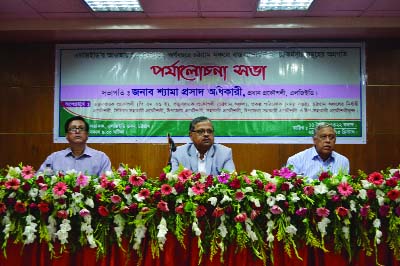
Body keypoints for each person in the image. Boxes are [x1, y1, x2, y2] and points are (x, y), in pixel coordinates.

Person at [38, 116, 112, 176]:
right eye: (73, 128)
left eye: (81, 128)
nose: (77, 131)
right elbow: (39, 180)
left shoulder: (101, 158)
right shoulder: (54, 158)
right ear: (66, 135)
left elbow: (107, 185)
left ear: (87, 135)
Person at [170, 116, 235, 175]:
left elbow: (230, 180)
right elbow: (174, 180)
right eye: (201, 131)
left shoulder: (225, 153)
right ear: (191, 135)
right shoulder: (178, 153)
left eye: (209, 131)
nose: (206, 134)